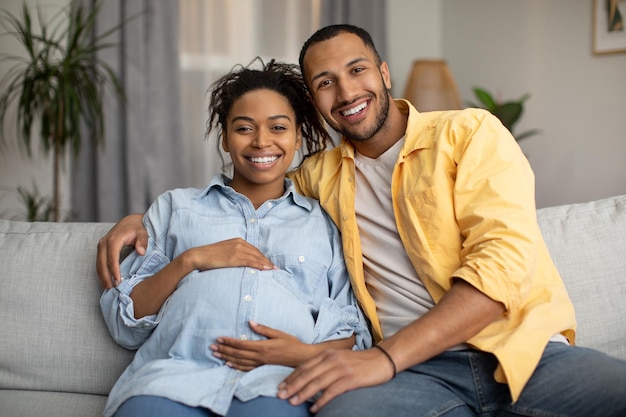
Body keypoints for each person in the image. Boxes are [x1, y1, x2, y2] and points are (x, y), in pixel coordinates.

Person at [97, 25, 626, 417]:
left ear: (383, 73)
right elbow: (251, 187)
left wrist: (384, 359)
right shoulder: (318, 178)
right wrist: (144, 218)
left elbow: (500, 268)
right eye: (325, 82)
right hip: (419, 378)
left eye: (357, 71)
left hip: (522, 350)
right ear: (315, 103)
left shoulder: (469, 134)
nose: (347, 93)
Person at [98, 58, 371, 417]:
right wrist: (190, 260)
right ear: (225, 139)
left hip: (282, 383)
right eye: (244, 128)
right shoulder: (176, 208)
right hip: (173, 379)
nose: (262, 142)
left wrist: (299, 354)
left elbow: (352, 334)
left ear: (297, 137)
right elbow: (124, 322)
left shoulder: (323, 223)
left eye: (278, 127)